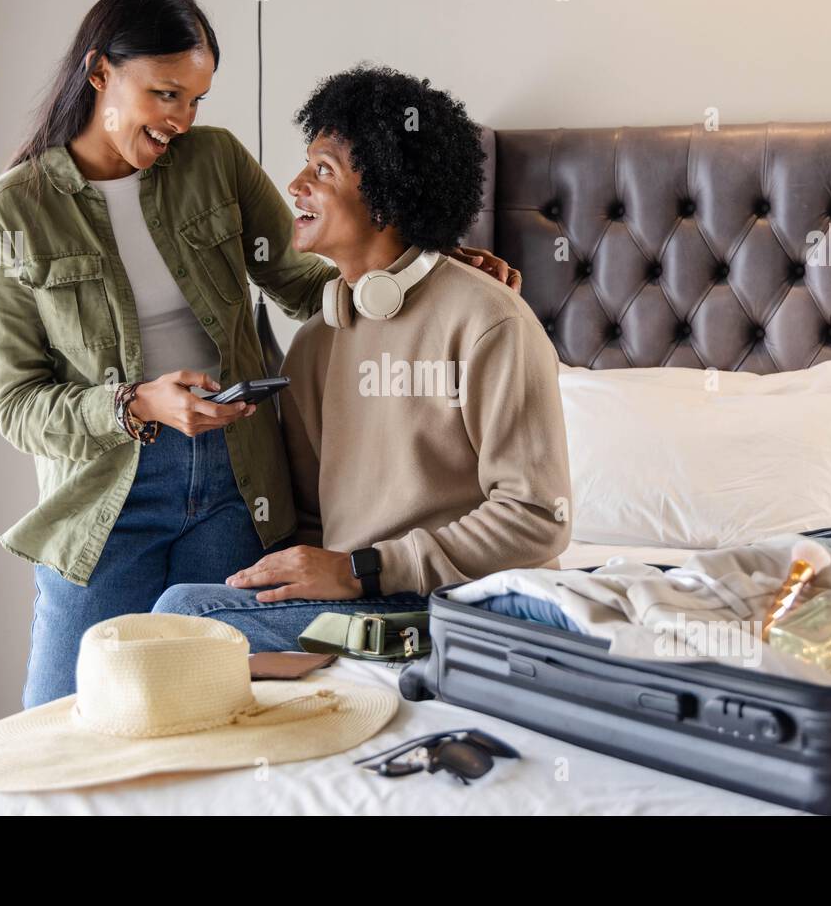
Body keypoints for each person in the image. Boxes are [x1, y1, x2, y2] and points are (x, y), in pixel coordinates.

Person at [0, 0, 517, 708]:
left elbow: (299, 276)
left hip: (236, 484)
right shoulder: (9, 215)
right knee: (62, 718)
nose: (182, 121)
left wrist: (424, 271)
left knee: (212, 713)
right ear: (100, 73)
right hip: (104, 499)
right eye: (166, 95)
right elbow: (18, 406)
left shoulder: (213, 162)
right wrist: (138, 403)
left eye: (196, 100)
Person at [152, 66, 571, 650]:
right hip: (362, 600)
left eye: (322, 170)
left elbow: (536, 516)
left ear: (384, 197)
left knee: (182, 617)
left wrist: (363, 570)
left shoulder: (490, 321)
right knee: (185, 616)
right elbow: (309, 521)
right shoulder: (317, 342)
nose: (295, 185)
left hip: (468, 604)